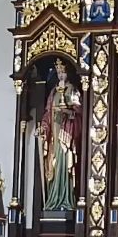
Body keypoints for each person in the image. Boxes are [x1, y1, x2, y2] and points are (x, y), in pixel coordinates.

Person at [39, 61, 81, 211]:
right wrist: (43, 128)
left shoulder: (73, 90)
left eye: (62, 72)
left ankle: (65, 199)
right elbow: (47, 114)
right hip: (54, 136)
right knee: (52, 166)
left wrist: (67, 111)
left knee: (64, 164)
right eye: (58, 73)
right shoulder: (53, 93)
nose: (60, 75)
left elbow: (79, 112)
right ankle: (54, 199)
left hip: (66, 134)